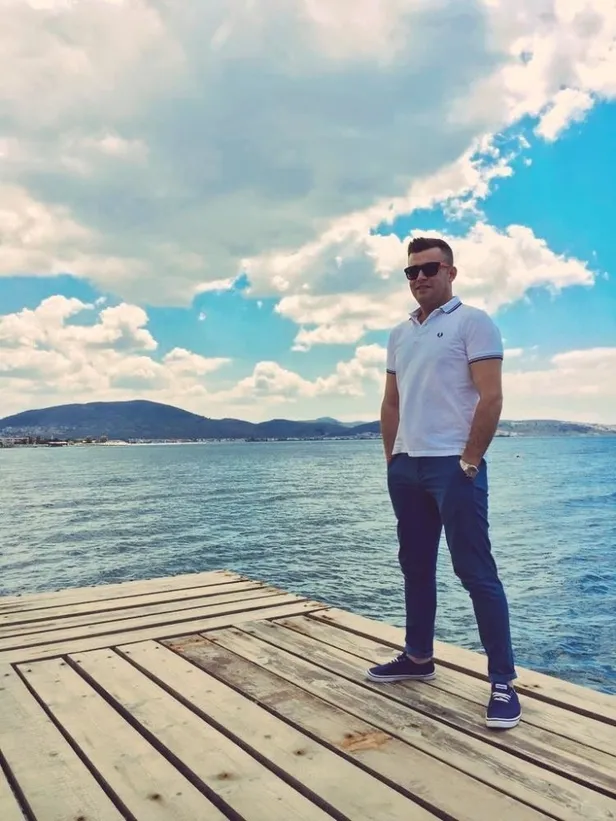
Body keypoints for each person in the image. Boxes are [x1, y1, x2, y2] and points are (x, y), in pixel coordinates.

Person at [367, 236, 521, 730]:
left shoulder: (473, 322)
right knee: (415, 566)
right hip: (408, 468)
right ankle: (418, 657)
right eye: (411, 272)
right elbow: (391, 402)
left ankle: (502, 681)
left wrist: (470, 461)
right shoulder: (399, 334)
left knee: (475, 571)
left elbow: (491, 397)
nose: (419, 278)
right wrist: (393, 460)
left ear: (451, 272)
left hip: (453, 468)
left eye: (429, 269)